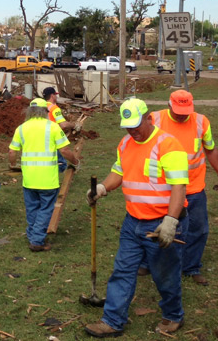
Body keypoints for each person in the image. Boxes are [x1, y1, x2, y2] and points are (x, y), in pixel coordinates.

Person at [84, 98, 189, 337]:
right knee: (122, 270)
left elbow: (179, 187)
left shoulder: (168, 145)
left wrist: (171, 222)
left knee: (165, 275)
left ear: (149, 118)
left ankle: (173, 315)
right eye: (128, 127)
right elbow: (118, 172)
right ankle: (112, 320)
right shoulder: (125, 143)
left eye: (137, 125)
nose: (133, 131)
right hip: (133, 221)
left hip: (161, 222)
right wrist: (102, 188)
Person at [144, 90, 218, 286]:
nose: (182, 114)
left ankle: (191, 267)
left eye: (186, 111)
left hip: (194, 187)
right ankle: (148, 263)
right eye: (178, 110)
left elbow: (210, 149)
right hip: (164, 188)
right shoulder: (154, 119)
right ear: (169, 105)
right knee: (152, 228)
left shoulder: (201, 121)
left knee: (199, 229)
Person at [8, 98, 79, 252]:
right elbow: (65, 151)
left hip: (29, 179)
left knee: (32, 208)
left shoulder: (21, 128)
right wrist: (76, 161)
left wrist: (13, 164)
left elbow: (12, 151)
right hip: (48, 179)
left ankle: (33, 234)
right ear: (45, 112)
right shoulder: (52, 127)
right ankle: (37, 241)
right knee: (46, 209)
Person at [42, 87, 78, 173]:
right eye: (55, 95)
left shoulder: (41, 106)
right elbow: (63, 125)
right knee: (61, 163)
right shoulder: (54, 108)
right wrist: (74, 125)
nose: (56, 97)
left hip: (40, 136)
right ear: (52, 96)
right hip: (51, 137)